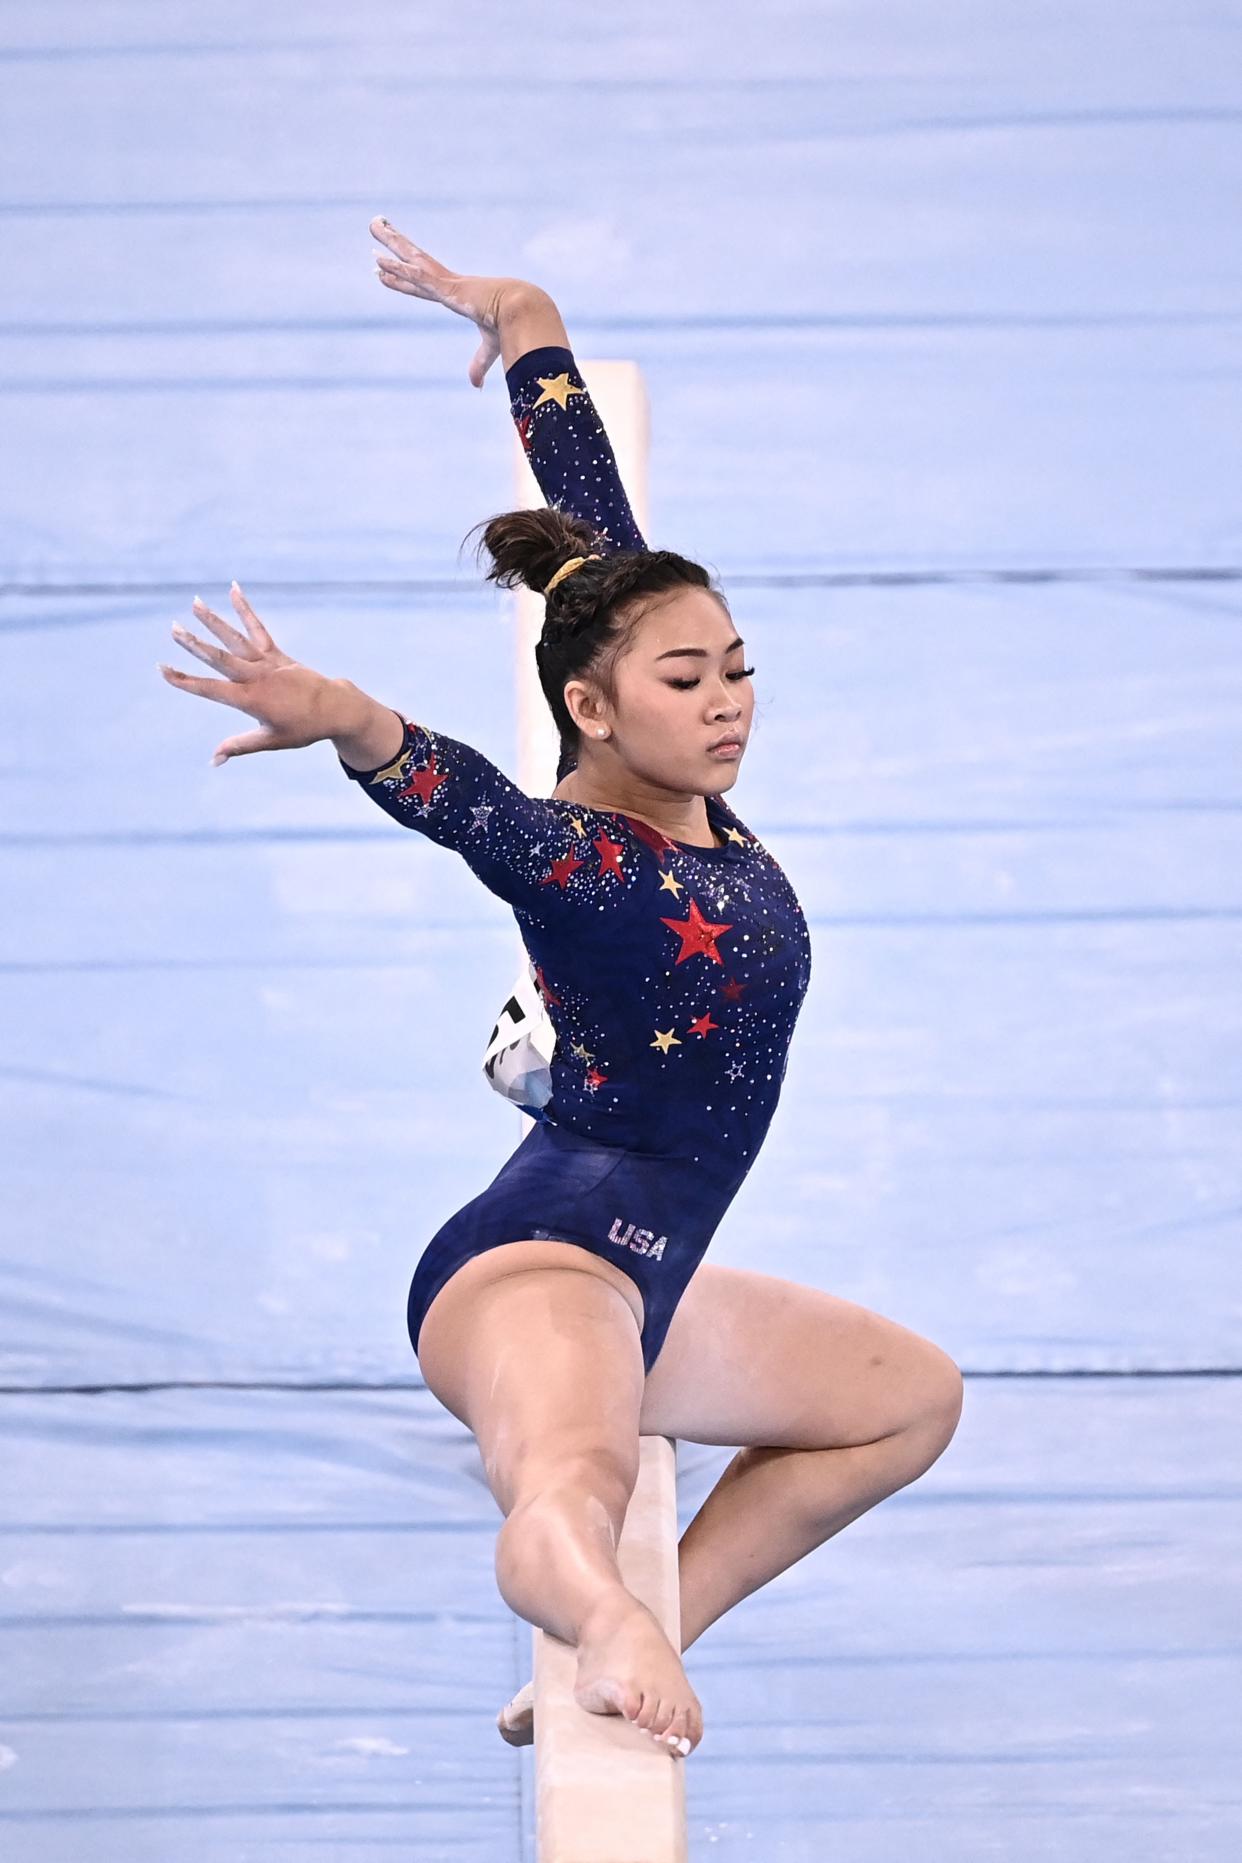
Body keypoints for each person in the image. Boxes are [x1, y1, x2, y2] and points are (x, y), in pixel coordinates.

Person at [158, 218, 965, 1764]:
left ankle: (648, 1622)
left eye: (736, 664)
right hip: (538, 1266)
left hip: (651, 1263)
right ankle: (594, 1620)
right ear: (589, 703)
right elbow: (448, 790)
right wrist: (338, 713)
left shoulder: (637, 698)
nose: (725, 702)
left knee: (905, 1401)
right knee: (565, 1496)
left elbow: (583, 503)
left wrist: (521, 316)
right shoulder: (580, 864)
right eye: (686, 680)